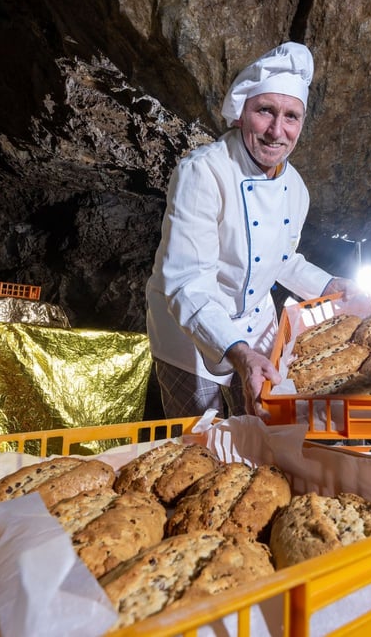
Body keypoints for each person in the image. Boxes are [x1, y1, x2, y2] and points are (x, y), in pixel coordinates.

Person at [145, 42, 358, 421]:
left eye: (291, 116)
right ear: (241, 114)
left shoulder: (296, 188)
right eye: (265, 111)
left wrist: (329, 287)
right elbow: (187, 284)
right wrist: (239, 353)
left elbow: (281, 258)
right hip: (190, 334)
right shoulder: (203, 173)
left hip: (259, 327)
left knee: (268, 442)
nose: (278, 131)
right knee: (201, 449)